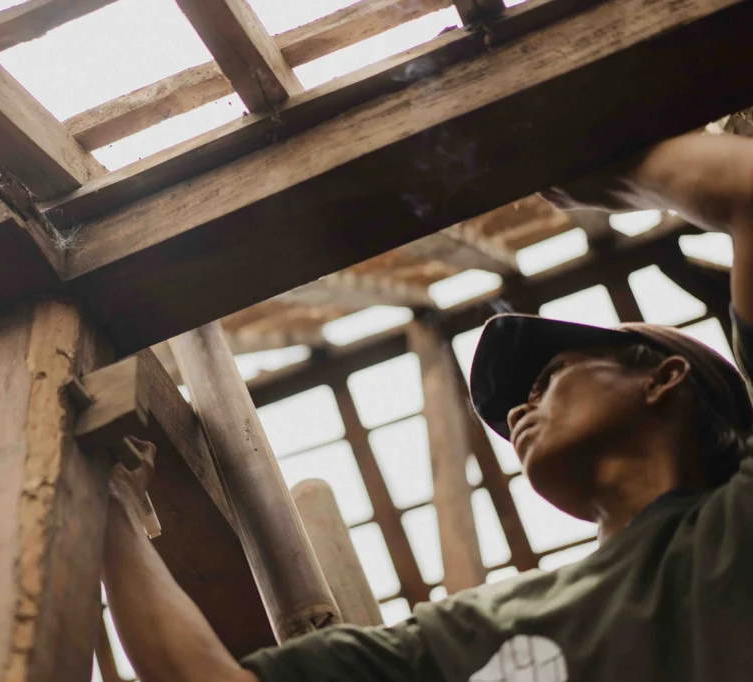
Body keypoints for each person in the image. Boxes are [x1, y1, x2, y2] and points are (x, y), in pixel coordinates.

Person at [101, 131, 753, 682]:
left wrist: (615, 168)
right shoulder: (474, 629)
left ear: (664, 378)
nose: (522, 408)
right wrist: (118, 520)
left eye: (551, 375)